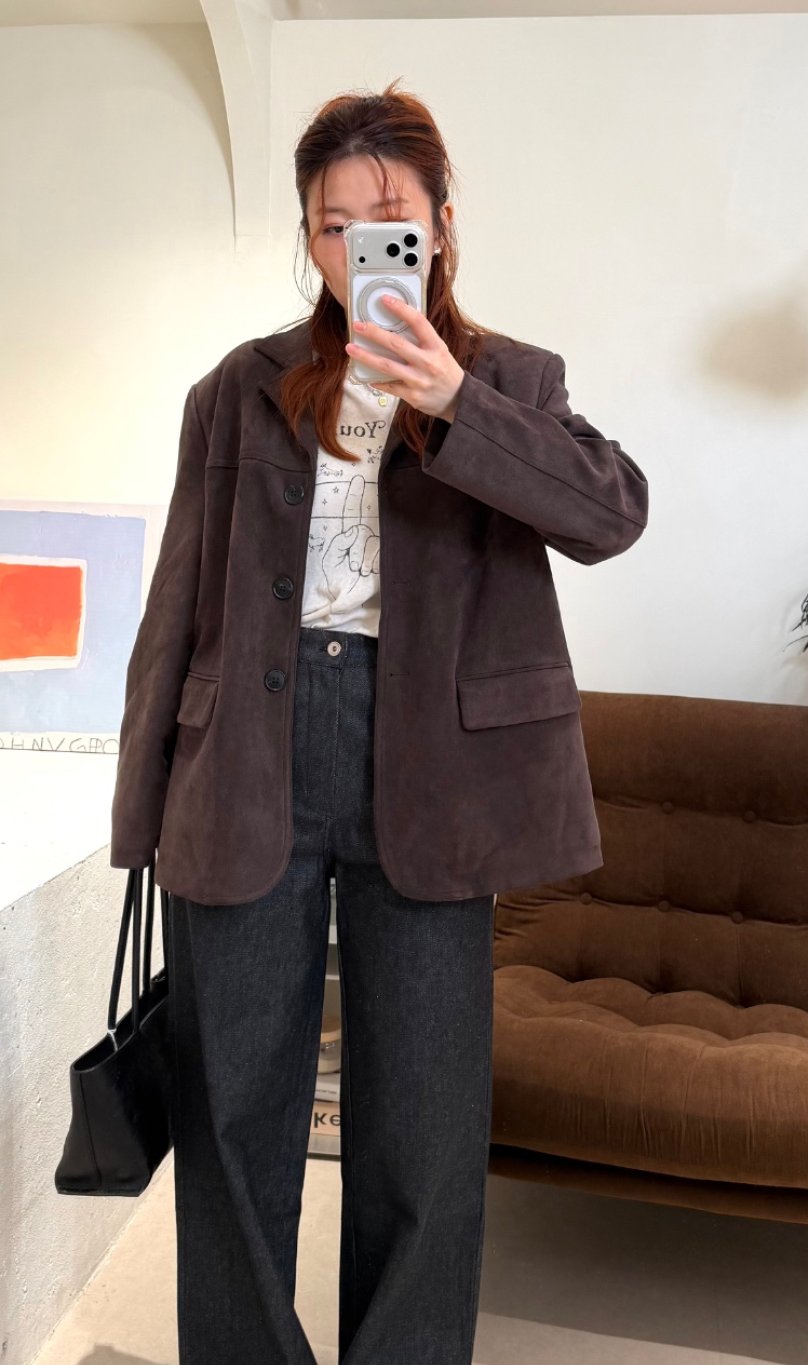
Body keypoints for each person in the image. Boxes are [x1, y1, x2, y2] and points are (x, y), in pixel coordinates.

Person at [110, 79, 648, 1365]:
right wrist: (140, 814)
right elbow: (177, 603)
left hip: (433, 770)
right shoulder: (238, 389)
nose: (360, 246)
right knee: (233, 1113)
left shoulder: (510, 378)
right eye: (332, 224)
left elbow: (610, 514)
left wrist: (454, 400)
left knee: (423, 1123)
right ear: (308, 238)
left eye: (388, 217)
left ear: (442, 226)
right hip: (248, 759)